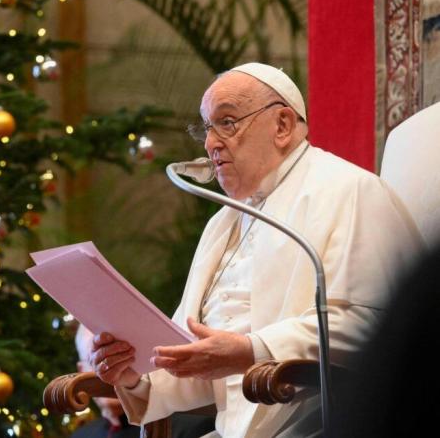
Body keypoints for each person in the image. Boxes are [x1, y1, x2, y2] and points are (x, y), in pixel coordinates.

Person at [88, 62, 423, 437]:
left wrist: (253, 350)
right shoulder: (224, 222)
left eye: (227, 123)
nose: (210, 143)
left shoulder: (351, 191)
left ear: (281, 125)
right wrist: (134, 377)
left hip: (322, 422)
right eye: (206, 128)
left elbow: (379, 325)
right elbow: (198, 361)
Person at [72, 325, 214, 438]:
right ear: (81, 370)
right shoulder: (81, 435)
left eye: (118, 357)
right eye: (96, 361)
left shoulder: (190, 427)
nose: (109, 371)